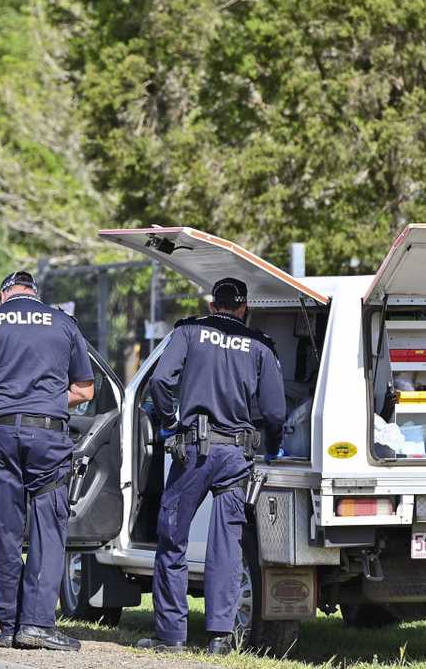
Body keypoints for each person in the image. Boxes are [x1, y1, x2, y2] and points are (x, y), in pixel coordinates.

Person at [137, 277, 287, 655]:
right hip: (236, 456)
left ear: (212, 304)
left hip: (193, 452)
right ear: (244, 307)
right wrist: (272, 448)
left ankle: (171, 635)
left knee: (172, 539)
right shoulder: (260, 348)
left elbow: (159, 381)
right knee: (227, 547)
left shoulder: (189, 333)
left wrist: (168, 421)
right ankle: (220, 637)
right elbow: (274, 412)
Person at [0, 271, 95, 651]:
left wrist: (2, 403)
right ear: (35, 294)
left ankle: (8, 626)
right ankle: (37, 625)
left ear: (4, 297)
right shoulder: (64, 324)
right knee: (49, 530)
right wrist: (43, 404)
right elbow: (84, 389)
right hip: (47, 436)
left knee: (4, 531)